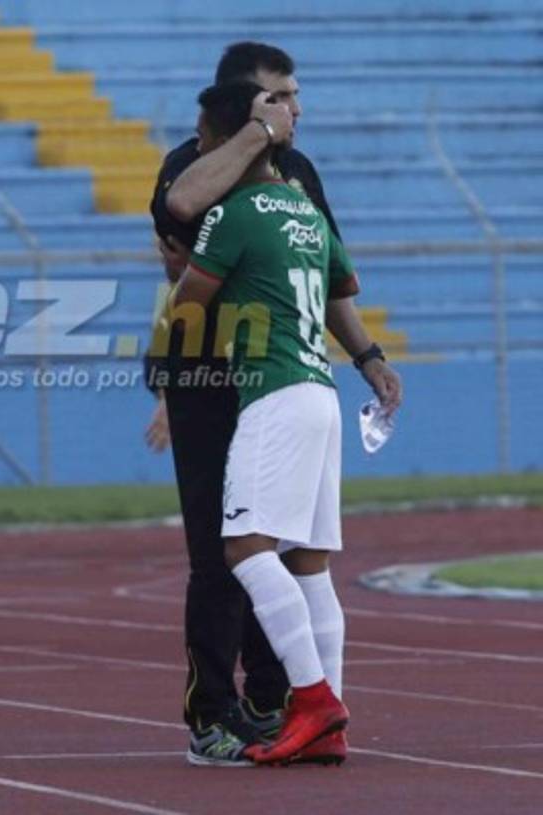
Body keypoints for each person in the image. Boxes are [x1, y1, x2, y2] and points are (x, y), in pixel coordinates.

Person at [168, 79, 402, 765]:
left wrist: (186, 271)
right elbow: (339, 290)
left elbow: (190, 304)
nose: (198, 154)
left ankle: (312, 698)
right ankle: (331, 717)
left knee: (242, 546)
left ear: (232, 139)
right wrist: (370, 358)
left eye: (205, 142)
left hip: (271, 395)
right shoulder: (304, 206)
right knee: (308, 562)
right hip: (321, 391)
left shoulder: (233, 212)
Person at [147, 42, 342, 767]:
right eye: (282, 95)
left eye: (294, 94)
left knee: (287, 547)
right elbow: (181, 221)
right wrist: (257, 140)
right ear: (248, 102)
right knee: (219, 553)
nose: (297, 106)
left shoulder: (302, 172)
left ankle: (276, 701)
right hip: (208, 379)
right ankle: (212, 714)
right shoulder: (187, 162)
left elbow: (327, 268)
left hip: (281, 375)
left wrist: (369, 356)